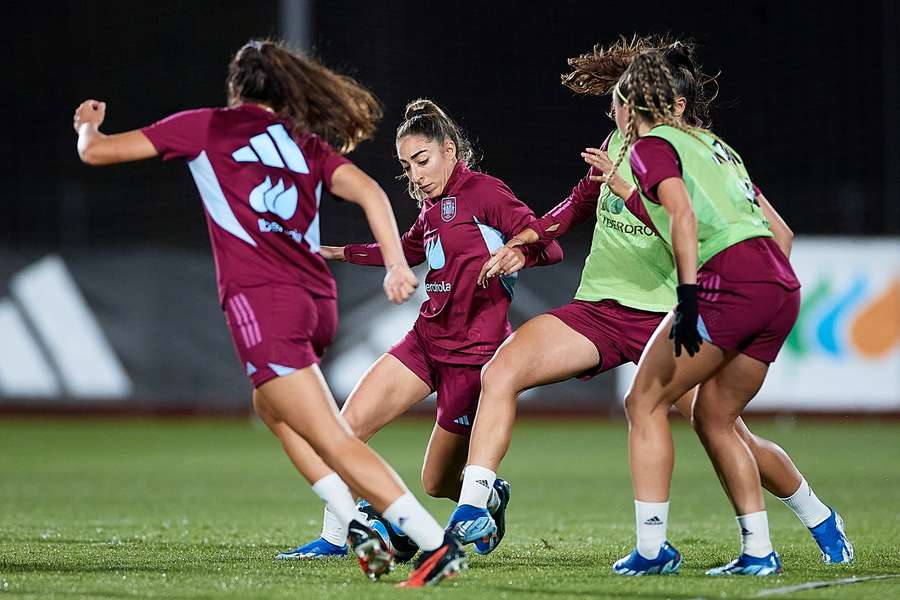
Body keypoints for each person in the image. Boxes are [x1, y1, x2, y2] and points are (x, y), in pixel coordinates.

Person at [446, 37, 852, 573]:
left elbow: (699, 228)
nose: (619, 110)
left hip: (669, 314)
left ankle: (817, 516)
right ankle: (474, 505)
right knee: (503, 369)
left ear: (673, 105)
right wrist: (526, 244)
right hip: (600, 311)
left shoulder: (688, 153)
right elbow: (575, 205)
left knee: (724, 429)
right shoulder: (622, 142)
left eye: (629, 99)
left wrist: (728, 292)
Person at [72, 39, 465, 587]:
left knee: (333, 438)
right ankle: (355, 526)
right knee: (271, 406)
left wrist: (88, 125)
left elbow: (97, 152)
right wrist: (397, 264)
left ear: (236, 90)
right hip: (315, 303)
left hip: (263, 301)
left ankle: (434, 545)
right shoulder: (302, 143)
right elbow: (373, 192)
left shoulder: (209, 126)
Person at [277, 99, 562, 563]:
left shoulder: (486, 192)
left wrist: (520, 254)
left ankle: (489, 495)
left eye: (422, 160)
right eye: (407, 165)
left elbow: (549, 248)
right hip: (425, 341)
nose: (416, 174)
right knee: (346, 428)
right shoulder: (432, 209)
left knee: (437, 483)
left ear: (449, 149)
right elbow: (406, 250)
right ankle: (335, 536)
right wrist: (335, 252)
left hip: (473, 357)